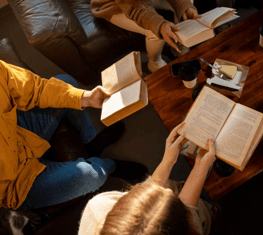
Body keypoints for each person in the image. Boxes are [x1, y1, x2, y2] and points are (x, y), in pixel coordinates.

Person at [0, 60, 148, 211]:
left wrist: (86, 97)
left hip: (20, 135)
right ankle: (111, 166)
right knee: (91, 176)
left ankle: (91, 144)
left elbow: (35, 89)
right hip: (14, 184)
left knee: (67, 82)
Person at [78, 122, 221, 235]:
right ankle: (209, 217)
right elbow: (187, 218)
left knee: (169, 186)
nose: (170, 193)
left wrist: (167, 161)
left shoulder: (98, 207)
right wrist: (200, 169)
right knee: (202, 216)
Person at [90, 0, 201, 73]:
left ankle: (181, 44)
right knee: (154, 31)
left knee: (187, 3)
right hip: (116, 4)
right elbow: (133, 7)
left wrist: (185, 6)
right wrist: (159, 24)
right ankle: (154, 62)